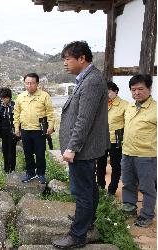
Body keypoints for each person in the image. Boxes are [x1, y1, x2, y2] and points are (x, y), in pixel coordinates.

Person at [52, 41, 108, 249]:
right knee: (89, 188)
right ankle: (87, 221)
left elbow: (84, 120)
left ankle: (77, 235)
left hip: (83, 149)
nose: (65, 63)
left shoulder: (91, 81)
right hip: (85, 147)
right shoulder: (86, 78)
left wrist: (72, 147)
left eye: (68, 59)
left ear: (81, 58)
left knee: (81, 191)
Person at [121, 74, 156, 227]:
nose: (136, 93)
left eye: (140, 89)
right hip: (127, 153)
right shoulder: (129, 106)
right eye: (133, 90)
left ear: (149, 89)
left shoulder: (155, 109)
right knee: (128, 183)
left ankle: (147, 215)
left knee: (147, 187)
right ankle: (129, 207)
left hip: (146, 156)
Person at [13, 73, 54, 184]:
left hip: (39, 130)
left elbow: (50, 113)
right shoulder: (20, 97)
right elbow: (16, 113)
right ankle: (30, 173)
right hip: (25, 130)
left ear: (37, 84)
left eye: (32, 83)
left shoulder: (44, 96)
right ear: (24, 83)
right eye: (27, 83)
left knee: (40, 153)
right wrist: (16, 128)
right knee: (28, 153)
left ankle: (41, 173)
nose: (29, 85)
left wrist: (50, 127)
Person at [96, 81, 128, 195]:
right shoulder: (101, 104)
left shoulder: (125, 105)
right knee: (100, 164)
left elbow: (128, 124)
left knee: (115, 165)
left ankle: (112, 189)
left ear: (116, 91)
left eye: (108, 92)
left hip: (116, 140)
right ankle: (100, 187)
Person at [0, 87, 17, 173]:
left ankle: (12, 168)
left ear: (9, 97)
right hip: (3, 131)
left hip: (12, 131)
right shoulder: (0, 106)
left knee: (12, 150)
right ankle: (6, 168)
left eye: (5, 98)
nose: (3, 100)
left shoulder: (14, 105)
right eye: (1, 98)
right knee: (5, 149)